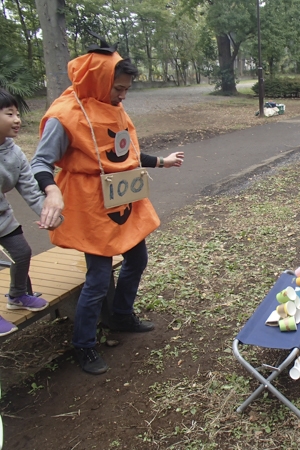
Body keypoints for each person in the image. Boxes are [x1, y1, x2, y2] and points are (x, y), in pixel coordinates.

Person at [31, 41, 184, 375]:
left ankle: (120, 316)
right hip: (91, 207)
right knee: (98, 278)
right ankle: (84, 344)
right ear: (99, 80)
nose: (123, 95)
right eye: (119, 88)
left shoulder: (114, 107)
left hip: (124, 199)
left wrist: (162, 161)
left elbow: (122, 153)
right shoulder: (65, 114)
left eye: (126, 89)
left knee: (137, 258)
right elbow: (40, 163)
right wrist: (51, 191)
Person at [0, 89, 55, 336]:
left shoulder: (14, 153)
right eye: (9, 113)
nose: (17, 119)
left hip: (3, 218)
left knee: (22, 253)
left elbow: (31, 190)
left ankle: (18, 295)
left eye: (18, 113)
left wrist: (51, 214)